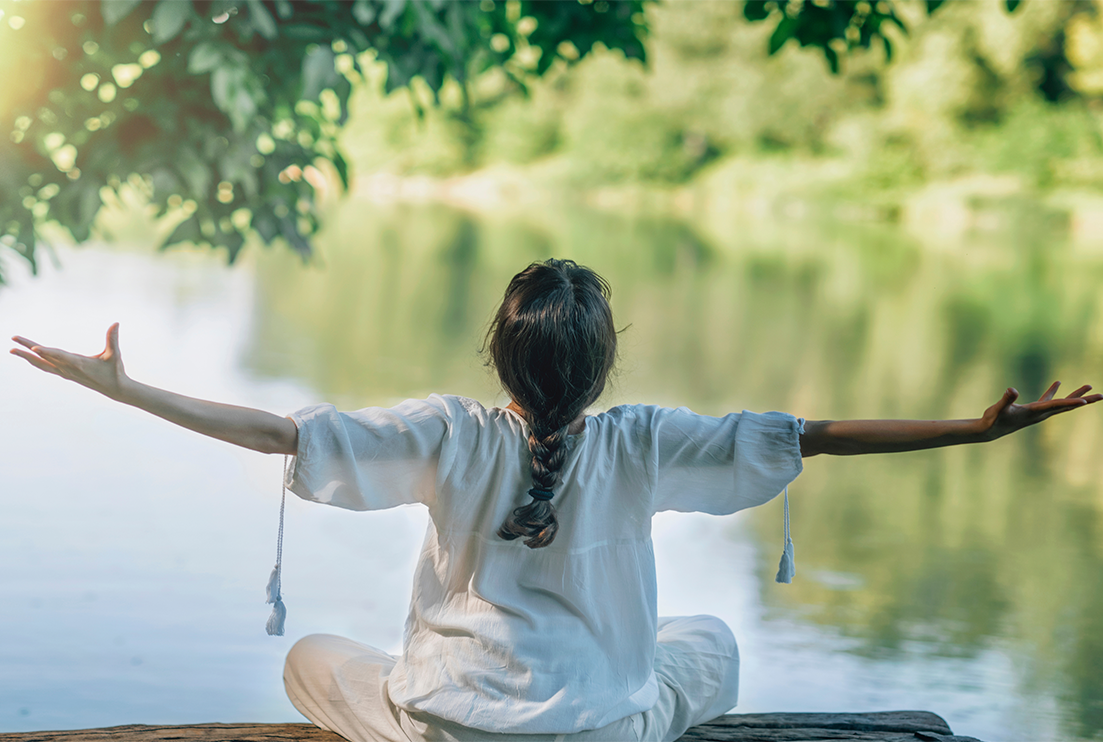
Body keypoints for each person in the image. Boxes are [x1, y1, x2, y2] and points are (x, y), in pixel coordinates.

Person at [10, 258, 1099, 742]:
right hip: (602, 730)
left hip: (451, 728)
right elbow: (812, 434)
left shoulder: (446, 430)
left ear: (498, 352)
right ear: (605, 359)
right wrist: (973, 429)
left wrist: (128, 389)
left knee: (310, 660)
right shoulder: (645, 439)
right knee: (711, 643)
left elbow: (278, 432)